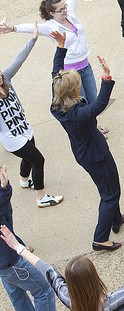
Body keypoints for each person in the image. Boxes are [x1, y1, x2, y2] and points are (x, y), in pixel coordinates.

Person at [0, 224, 124, 311]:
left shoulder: (68, 297)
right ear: (94, 278)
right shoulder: (119, 299)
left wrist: (17, 247)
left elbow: (45, 268)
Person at [50, 31, 124, 251]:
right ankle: (100, 238)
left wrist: (61, 46)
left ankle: (116, 218)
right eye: (77, 82)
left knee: (108, 185)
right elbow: (99, 105)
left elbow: (56, 71)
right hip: (96, 155)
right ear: (74, 90)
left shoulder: (57, 102)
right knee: (110, 193)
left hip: (84, 153)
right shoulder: (78, 114)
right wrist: (107, 77)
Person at [0, 0, 109, 135]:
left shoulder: (69, 13)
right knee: (81, 103)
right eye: (61, 9)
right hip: (71, 73)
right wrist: (11, 28)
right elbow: (30, 28)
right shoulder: (50, 26)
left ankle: (94, 125)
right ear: (52, 13)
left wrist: (66, 8)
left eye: (65, 7)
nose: (65, 10)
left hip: (86, 66)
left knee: (93, 99)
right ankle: (92, 132)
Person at [0, 23, 63, 208]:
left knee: (30, 156)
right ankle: (41, 198)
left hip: (25, 129)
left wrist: (33, 39)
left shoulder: (6, 79)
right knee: (38, 159)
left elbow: (19, 60)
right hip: (12, 139)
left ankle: (24, 180)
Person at [0, 165, 56, 311]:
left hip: (4, 265)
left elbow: (5, 213)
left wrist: (4, 188)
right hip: (11, 261)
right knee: (44, 290)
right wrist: (4, 189)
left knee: (17, 294)